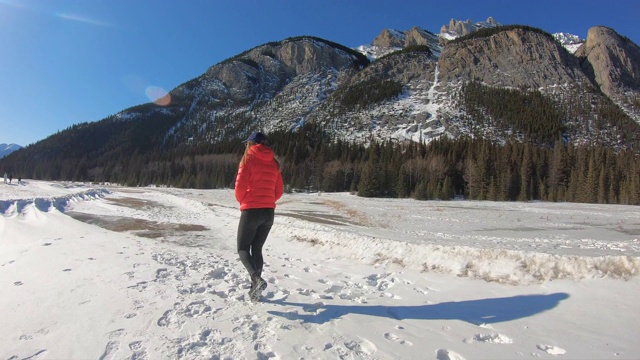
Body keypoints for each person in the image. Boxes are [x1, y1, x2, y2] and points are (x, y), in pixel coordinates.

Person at [234, 131, 284, 301]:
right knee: (257, 249)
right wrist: (268, 201)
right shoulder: (274, 163)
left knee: (242, 248)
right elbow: (279, 191)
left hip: (251, 211)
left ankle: (256, 279)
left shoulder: (248, 159)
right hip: (268, 212)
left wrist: (245, 201)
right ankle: (255, 290)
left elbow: (239, 187)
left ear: (250, 144)